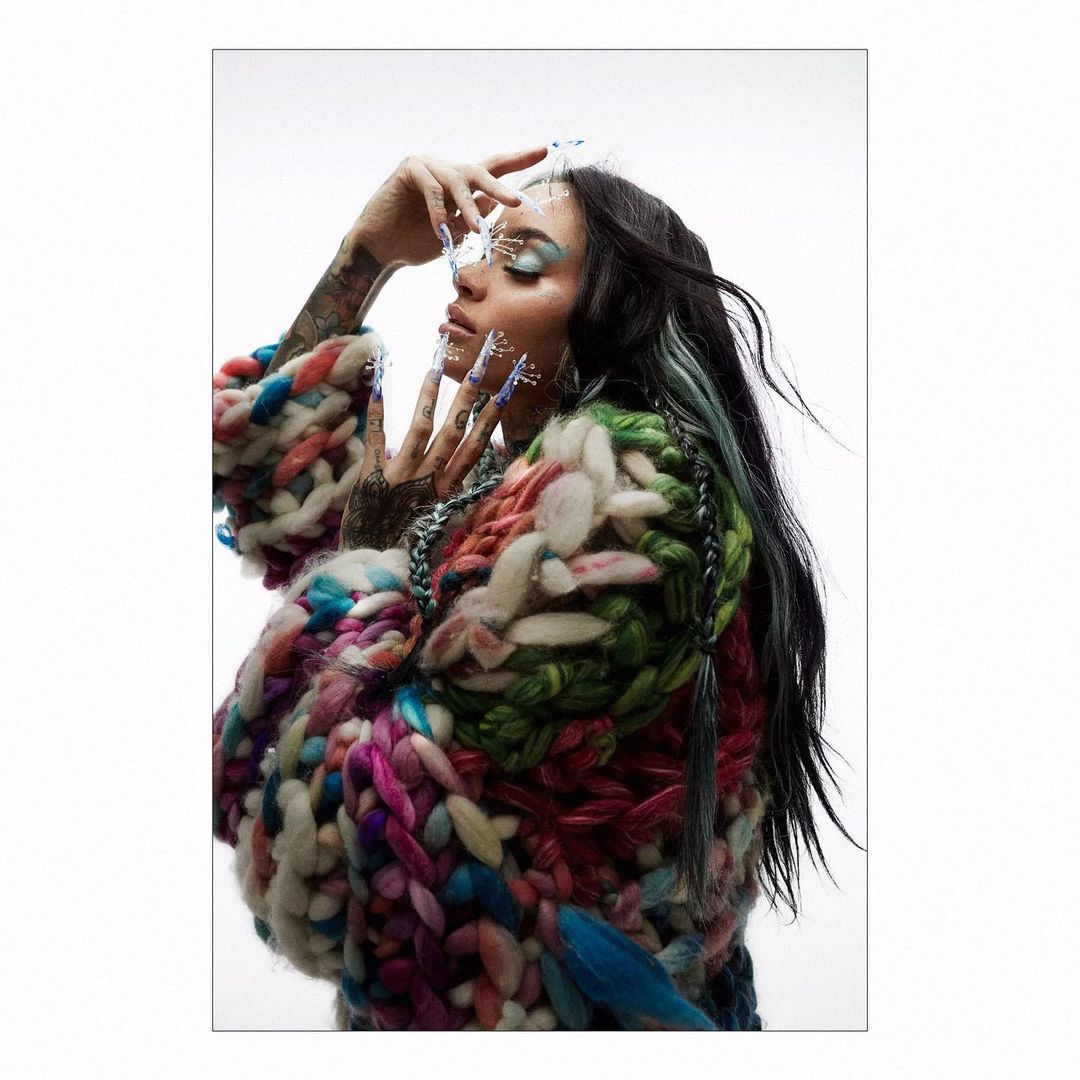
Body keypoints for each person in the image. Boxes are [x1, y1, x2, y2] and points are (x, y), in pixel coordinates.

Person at [212, 145, 857, 1030]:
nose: (468, 278)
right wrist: (368, 252)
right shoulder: (500, 489)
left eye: (522, 265)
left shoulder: (632, 497)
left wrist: (368, 558)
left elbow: (345, 839)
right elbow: (281, 495)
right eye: (482, 254)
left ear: (611, 312)